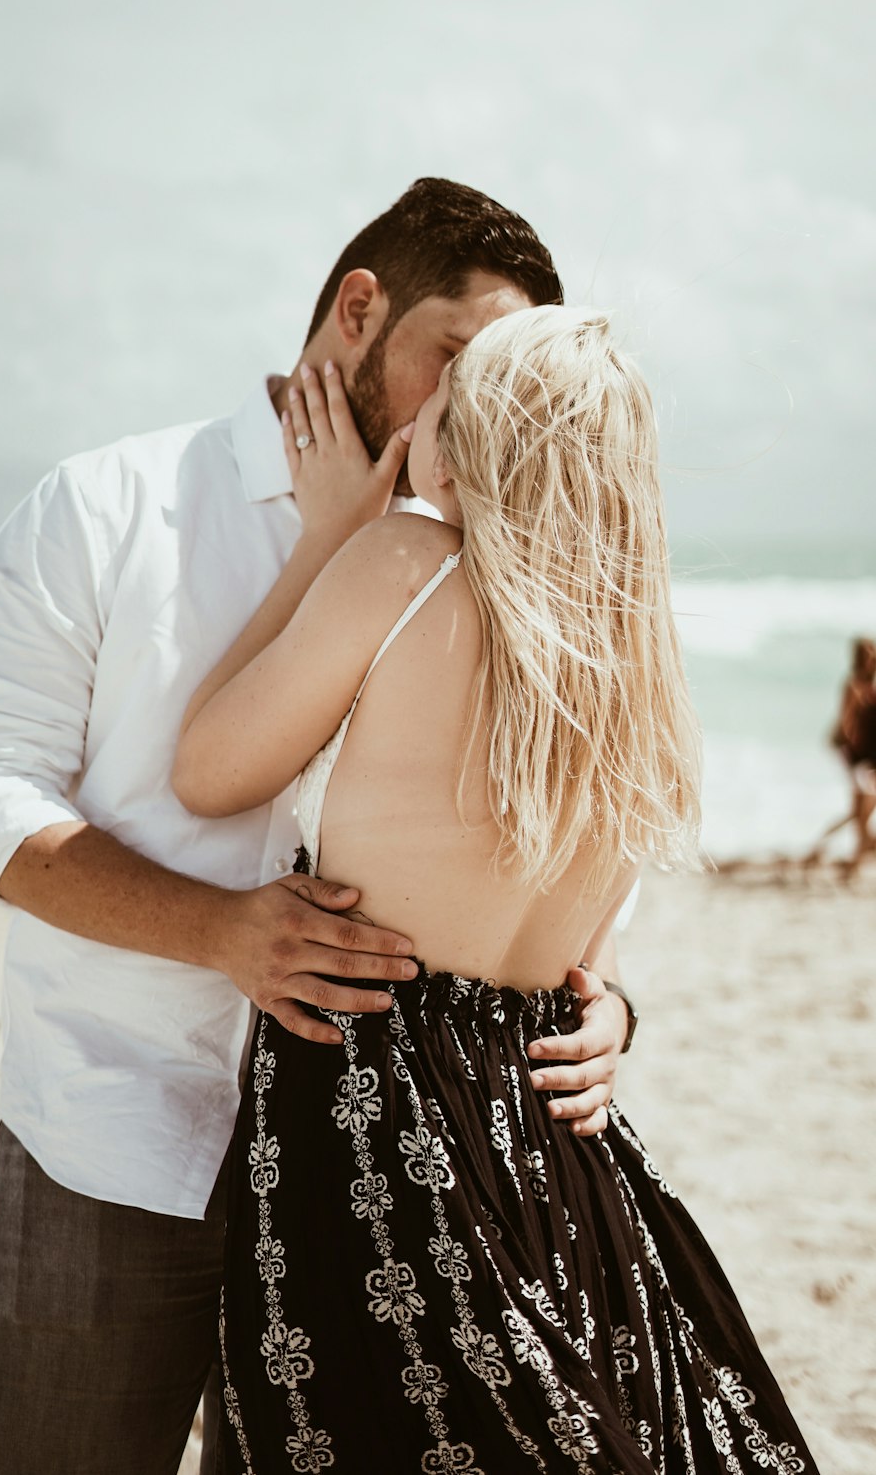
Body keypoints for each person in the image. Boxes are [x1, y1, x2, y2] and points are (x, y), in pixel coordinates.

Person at [0, 179, 639, 1475]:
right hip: (118, 1136)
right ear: (357, 313)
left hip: (370, 1182)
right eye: (459, 360)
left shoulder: (489, 549)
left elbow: (550, 813)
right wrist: (220, 934)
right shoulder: (107, 506)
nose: (476, 406)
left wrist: (606, 1001)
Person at [173, 309, 821, 1472]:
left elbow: (207, 768)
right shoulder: (631, 662)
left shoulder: (403, 564)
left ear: (466, 450)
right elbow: (586, 945)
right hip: (551, 1128)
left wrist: (328, 538)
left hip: (377, 1098)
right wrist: (614, 1010)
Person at [807, 637, 876, 873]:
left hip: (864, 758)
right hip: (857, 758)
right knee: (862, 811)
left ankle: (835, 853)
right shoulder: (854, 686)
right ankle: (845, 855)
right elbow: (846, 725)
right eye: (868, 655)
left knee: (859, 812)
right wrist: (851, 749)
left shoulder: (869, 688)